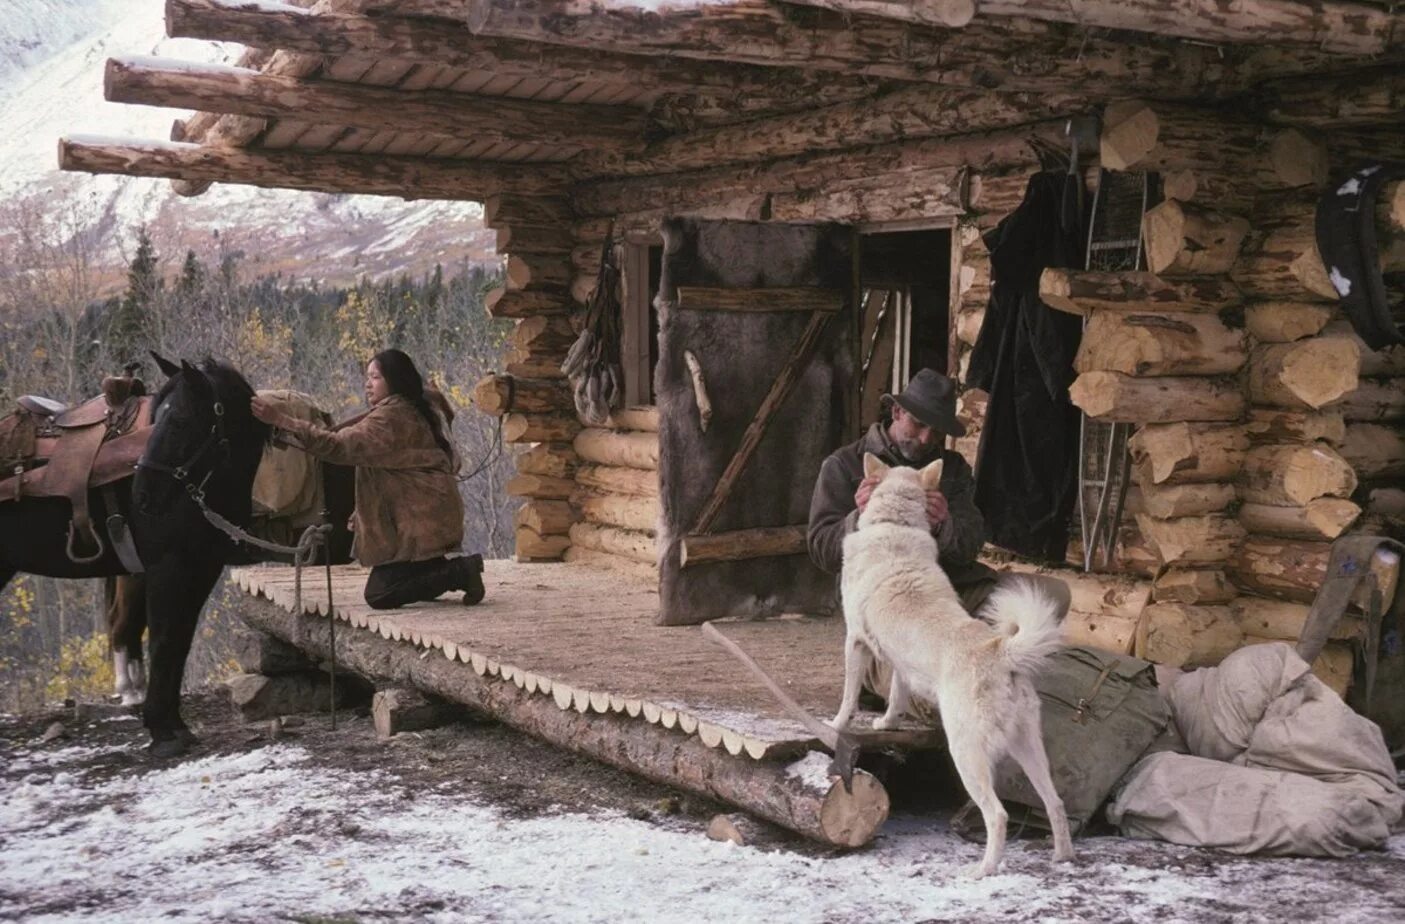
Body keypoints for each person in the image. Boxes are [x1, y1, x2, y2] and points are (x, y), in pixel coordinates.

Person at [807, 369, 1070, 714]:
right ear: (897, 412)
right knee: (937, 703)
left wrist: (945, 524)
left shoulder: (952, 469)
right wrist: (859, 517)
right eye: (918, 424)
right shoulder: (845, 465)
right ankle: (886, 677)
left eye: (936, 431)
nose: (926, 438)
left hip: (949, 594)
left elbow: (972, 542)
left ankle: (983, 666)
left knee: (1052, 596)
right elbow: (820, 549)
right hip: (891, 612)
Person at [251, 349, 484, 609]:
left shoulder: (390, 418)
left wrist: (281, 420)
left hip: (421, 522)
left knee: (379, 595)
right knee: (414, 582)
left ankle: (461, 572)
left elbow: (337, 446)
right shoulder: (407, 410)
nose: (367, 383)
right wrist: (360, 513)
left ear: (393, 380)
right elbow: (390, 478)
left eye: (375, 377)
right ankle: (448, 572)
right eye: (368, 377)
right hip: (428, 516)